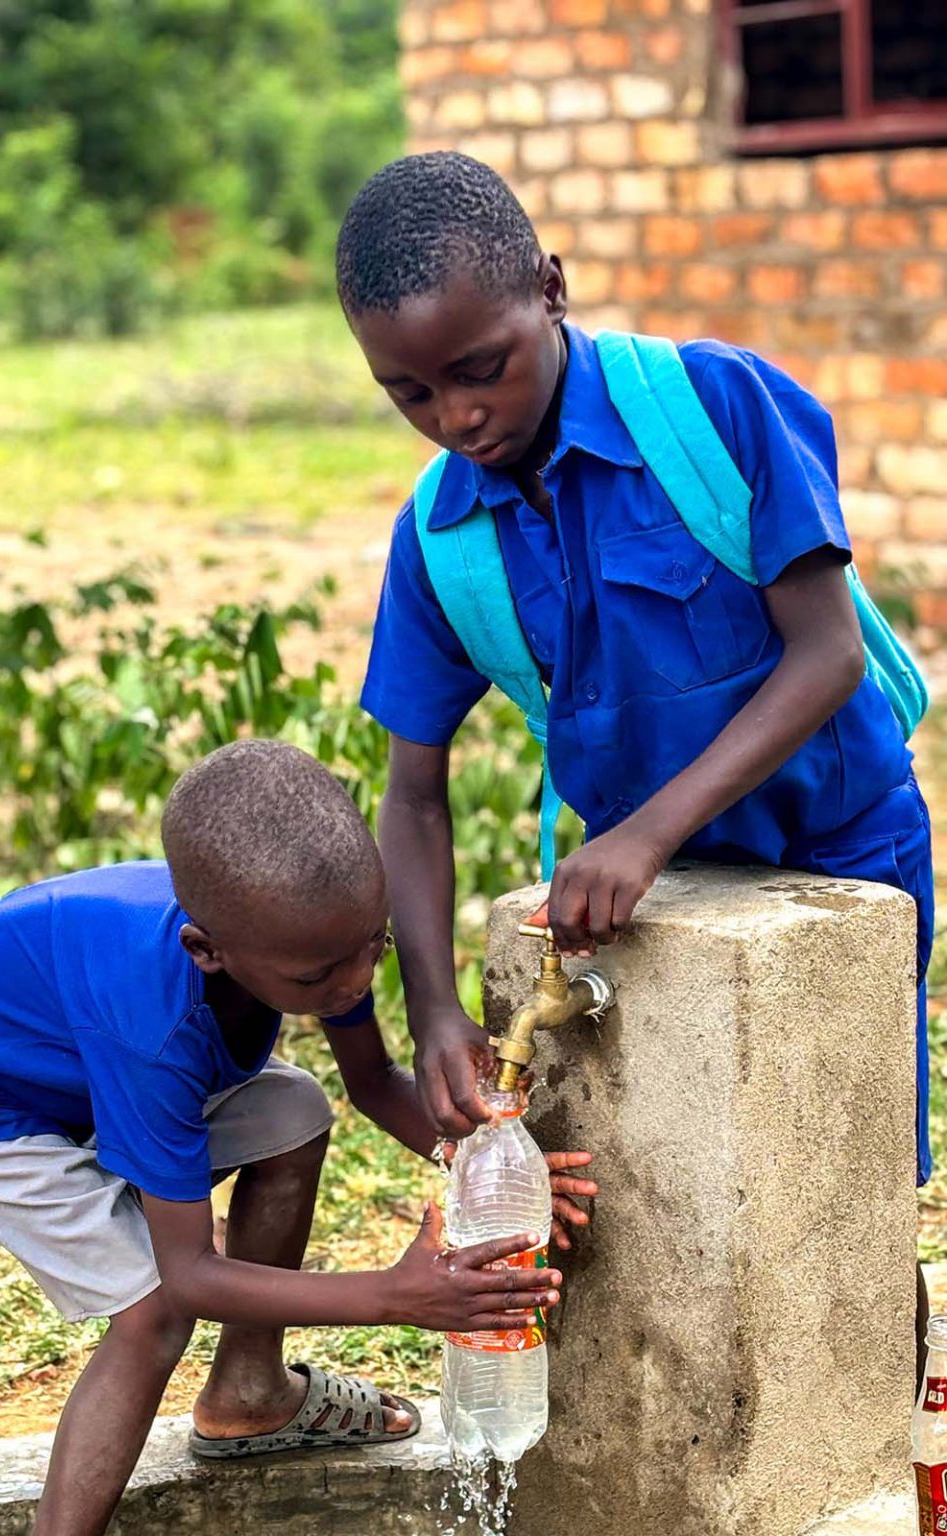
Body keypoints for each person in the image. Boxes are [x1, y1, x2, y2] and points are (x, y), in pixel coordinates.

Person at [336, 152, 934, 1359]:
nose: (457, 418)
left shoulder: (711, 411)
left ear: (550, 289)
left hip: (839, 852)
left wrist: (647, 829)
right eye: (409, 395)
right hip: (648, 910)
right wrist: (435, 1008)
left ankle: (883, 1442)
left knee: (846, 1193)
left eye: (479, 371)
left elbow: (825, 660)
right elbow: (412, 798)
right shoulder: (441, 537)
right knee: (671, 1209)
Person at [0, 739, 596, 1536]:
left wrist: (490, 1167)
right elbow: (189, 1276)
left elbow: (371, 1084)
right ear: (207, 950)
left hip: (77, 1066)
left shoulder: (316, 936)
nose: (351, 986)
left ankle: (249, 1396)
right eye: (318, 982)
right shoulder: (157, 1021)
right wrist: (392, 1296)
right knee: (151, 1311)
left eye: (373, 949)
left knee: (293, 1113)